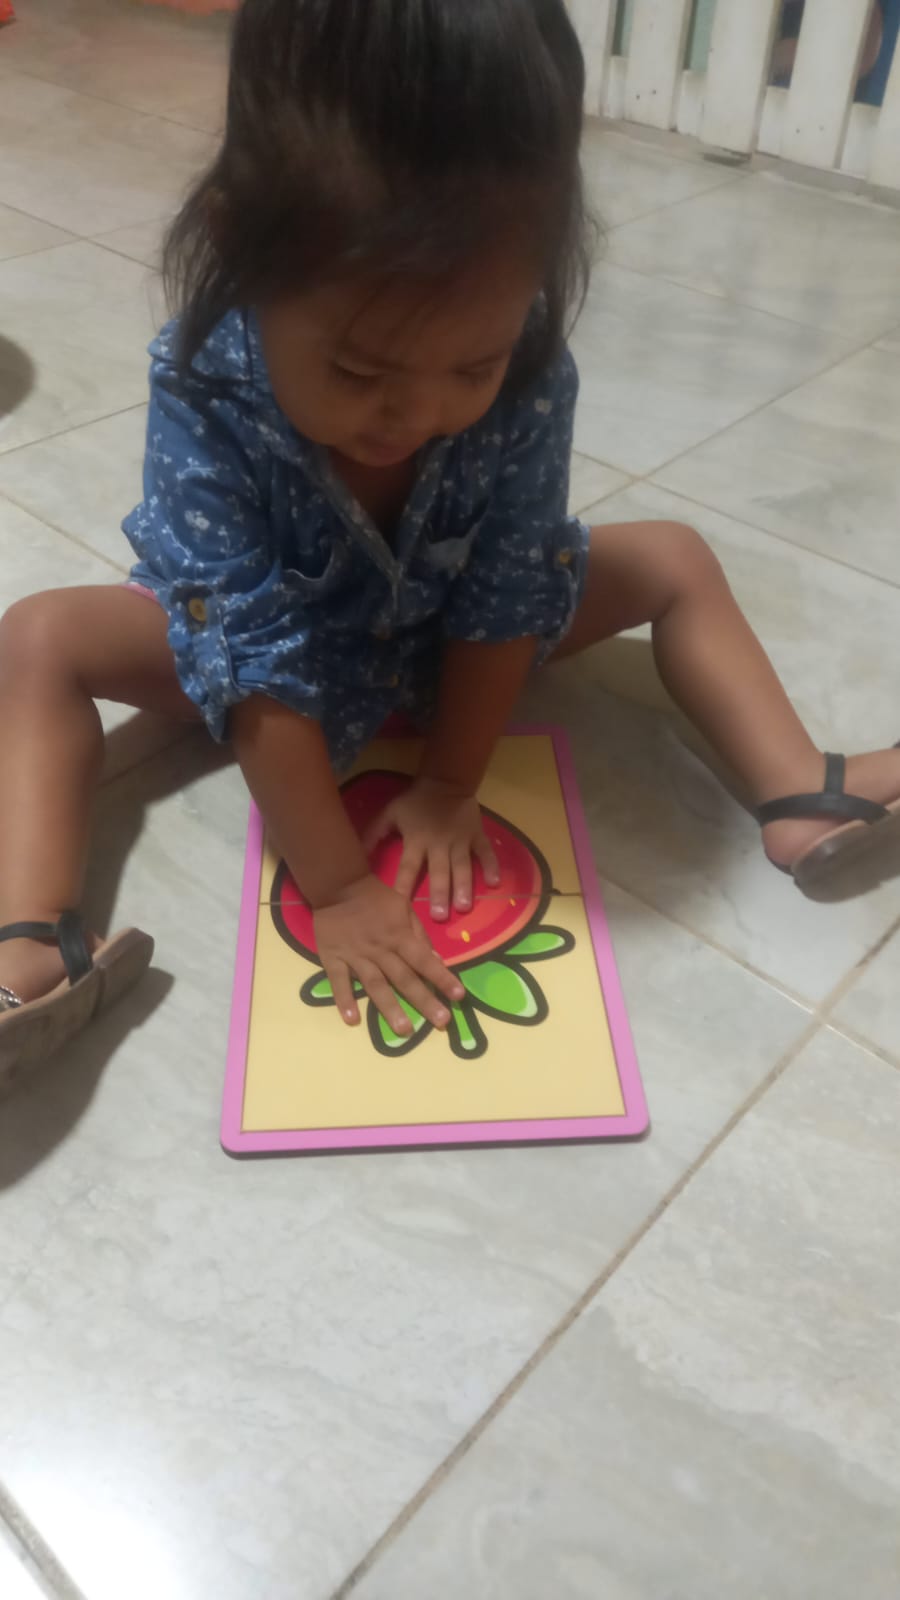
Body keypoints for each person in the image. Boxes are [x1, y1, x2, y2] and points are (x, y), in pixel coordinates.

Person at [1, 0, 898, 1086]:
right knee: (39, 635)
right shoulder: (201, 378)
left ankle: (797, 790)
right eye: (360, 370)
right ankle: (30, 940)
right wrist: (338, 886)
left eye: (471, 367)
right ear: (242, 250)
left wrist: (449, 783)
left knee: (675, 558)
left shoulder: (534, 369)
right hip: (281, 672)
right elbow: (241, 639)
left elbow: (512, 583)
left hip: (450, 654)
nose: (416, 414)